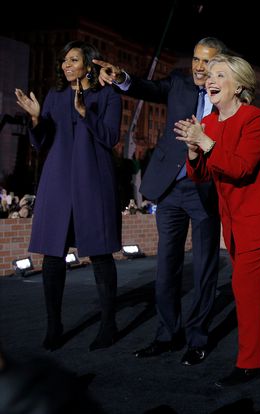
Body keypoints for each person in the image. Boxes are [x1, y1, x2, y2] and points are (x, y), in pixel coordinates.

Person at [95, 37, 226, 366]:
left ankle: (197, 338)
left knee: (205, 269)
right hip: (170, 189)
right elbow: (145, 88)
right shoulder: (179, 83)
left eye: (206, 61)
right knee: (167, 267)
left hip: (206, 190)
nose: (198, 66)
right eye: (195, 59)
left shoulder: (230, 93)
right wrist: (121, 76)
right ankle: (167, 335)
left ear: (220, 63)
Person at [175, 54, 260, 387]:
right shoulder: (208, 122)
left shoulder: (257, 119)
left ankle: (250, 363)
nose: (210, 80)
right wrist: (194, 150)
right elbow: (200, 176)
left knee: (243, 284)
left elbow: (240, 167)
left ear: (238, 85)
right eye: (209, 75)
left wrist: (204, 142)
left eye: (219, 75)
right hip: (235, 220)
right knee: (251, 283)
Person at [14, 40, 121, 351]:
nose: (66, 65)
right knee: (52, 254)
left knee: (100, 253)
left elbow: (111, 137)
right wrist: (36, 119)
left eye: (73, 59)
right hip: (57, 180)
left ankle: (108, 324)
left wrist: (86, 113)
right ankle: (54, 325)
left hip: (94, 179)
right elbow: (40, 142)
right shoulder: (55, 95)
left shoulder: (108, 94)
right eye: (64, 60)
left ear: (88, 64)